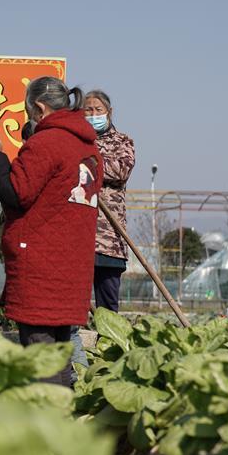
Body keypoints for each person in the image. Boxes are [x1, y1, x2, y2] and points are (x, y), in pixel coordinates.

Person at [0, 77, 102, 387]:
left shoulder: (47, 143)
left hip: (42, 268)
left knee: (41, 358)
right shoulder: (87, 148)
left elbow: (16, 192)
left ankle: (50, 425)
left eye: (27, 110)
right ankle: (67, 418)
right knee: (59, 356)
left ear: (38, 107)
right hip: (71, 268)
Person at [85, 90, 135, 312]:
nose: (93, 114)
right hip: (80, 236)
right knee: (75, 305)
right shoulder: (77, 140)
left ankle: (107, 342)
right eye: (88, 110)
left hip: (109, 240)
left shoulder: (122, 141)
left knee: (107, 306)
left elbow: (121, 170)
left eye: (98, 110)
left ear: (109, 112)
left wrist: (89, 161)